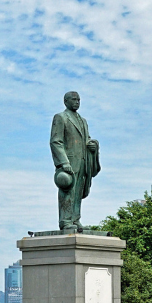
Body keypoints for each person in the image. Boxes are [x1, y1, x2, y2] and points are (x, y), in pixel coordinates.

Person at [50, 91, 101, 232]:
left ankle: (75, 219)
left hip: (83, 161)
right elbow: (56, 141)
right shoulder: (61, 117)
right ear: (66, 102)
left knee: (78, 191)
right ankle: (65, 221)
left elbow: (86, 139)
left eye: (78, 99)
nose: (77, 102)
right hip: (69, 161)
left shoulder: (83, 121)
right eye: (74, 99)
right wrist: (63, 162)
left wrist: (92, 145)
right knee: (67, 189)